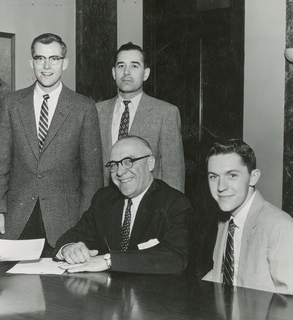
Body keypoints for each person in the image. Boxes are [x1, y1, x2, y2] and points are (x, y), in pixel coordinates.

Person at [0, 33, 103, 257]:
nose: (47, 66)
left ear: (64, 63)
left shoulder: (84, 107)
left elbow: (92, 177)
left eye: (54, 59)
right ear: (32, 62)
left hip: (65, 223)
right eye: (40, 58)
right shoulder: (11, 104)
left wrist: (85, 225)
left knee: (60, 291)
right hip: (17, 219)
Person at [56, 136, 192, 274]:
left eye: (128, 162)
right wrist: (69, 248)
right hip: (107, 290)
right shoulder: (104, 198)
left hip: (152, 291)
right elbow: (75, 235)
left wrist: (110, 261)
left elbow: (176, 258)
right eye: (114, 165)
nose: (120, 172)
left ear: (150, 163)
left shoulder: (174, 203)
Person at [203, 139, 293, 294]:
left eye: (232, 175)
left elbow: (289, 298)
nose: (221, 187)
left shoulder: (279, 226)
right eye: (213, 176)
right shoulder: (225, 221)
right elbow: (222, 274)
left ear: (253, 177)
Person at [96, 42, 185, 192]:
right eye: (121, 66)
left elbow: (173, 175)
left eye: (134, 66)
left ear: (146, 74)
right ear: (113, 73)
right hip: (105, 207)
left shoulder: (166, 113)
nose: (126, 72)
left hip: (148, 209)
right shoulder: (96, 112)